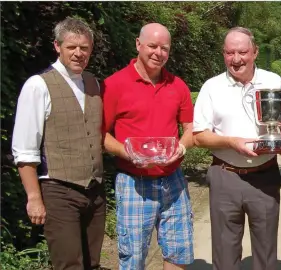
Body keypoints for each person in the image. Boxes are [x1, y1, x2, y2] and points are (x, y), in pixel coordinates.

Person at [193, 27, 281, 270]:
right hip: (225, 177)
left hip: (265, 176)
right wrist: (232, 142)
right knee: (225, 254)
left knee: (265, 253)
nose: (236, 59)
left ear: (255, 52)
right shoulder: (212, 87)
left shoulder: (273, 81)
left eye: (242, 51)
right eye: (230, 52)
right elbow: (199, 136)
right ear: (223, 54)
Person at [11, 17, 106, 269]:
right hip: (59, 190)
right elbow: (25, 149)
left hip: (95, 191)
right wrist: (34, 197)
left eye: (84, 48)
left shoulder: (94, 83)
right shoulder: (38, 85)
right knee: (68, 264)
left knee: (92, 263)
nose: (78, 53)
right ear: (57, 46)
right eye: (71, 47)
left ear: (90, 50)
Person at [102, 23, 195, 270]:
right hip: (134, 181)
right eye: (152, 46)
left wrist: (182, 148)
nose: (158, 52)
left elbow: (190, 129)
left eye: (164, 48)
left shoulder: (178, 85)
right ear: (138, 44)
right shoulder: (114, 84)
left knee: (178, 251)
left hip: (172, 179)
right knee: (132, 256)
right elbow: (101, 134)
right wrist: (127, 153)